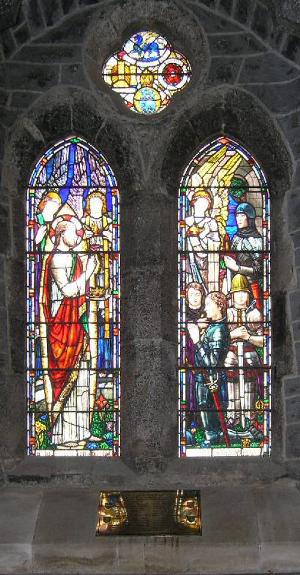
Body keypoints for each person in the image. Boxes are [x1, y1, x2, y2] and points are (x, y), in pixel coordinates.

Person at [42, 216, 97, 448]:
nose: (78, 236)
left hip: (76, 325)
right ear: (62, 234)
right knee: (68, 379)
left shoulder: (75, 258)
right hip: (62, 329)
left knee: (82, 377)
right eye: (74, 232)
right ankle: (63, 436)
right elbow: (67, 291)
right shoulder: (56, 260)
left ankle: (82, 431)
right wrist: (89, 272)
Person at [225, 273, 263, 428]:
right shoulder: (227, 314)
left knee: (249, 387)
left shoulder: (255, 315)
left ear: (248, 295)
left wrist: (248, 337)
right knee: (232, 386)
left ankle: (250, 417)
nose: (240, 297)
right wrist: (233, 334)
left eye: (243, 293)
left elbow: (263, 341)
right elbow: (218, 338)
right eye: (236, 294)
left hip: (249, 355)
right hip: (232, 355)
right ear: (232, 296)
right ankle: (233, 416)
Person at [194, 291, 230, 445]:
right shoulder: (214, 327)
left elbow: (212, 364)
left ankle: (212, 437)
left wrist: (197, 341)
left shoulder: (219, 330)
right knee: (204, 406)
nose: (205, 307)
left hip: (211, 381)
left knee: (209, 408)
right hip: (204, 379)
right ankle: (212, 436)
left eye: (209, 304)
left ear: (219, 306)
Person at [224, 202, 263, 308]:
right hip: (236, 286)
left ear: (249, 218)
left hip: (252, 287)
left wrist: (238, 268)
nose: (238, 219)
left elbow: (259, 269)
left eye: (242, 216)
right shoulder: (236, 238)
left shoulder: (256, 241)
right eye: (237, 216)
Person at [186, 188, 220, 292]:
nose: (203, 205)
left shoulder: (211, 222)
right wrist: (203, 233)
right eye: (200, 202)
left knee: (207, 289)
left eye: (206, 203)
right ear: (194, 202)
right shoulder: (187, 221)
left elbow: (216, 243)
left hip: (207, 263)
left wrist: (203, 235)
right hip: (189, 261)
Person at [185, 282, 205, 410]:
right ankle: (190, 418)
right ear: (186, 296)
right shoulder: (183, 312)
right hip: (188, 353)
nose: (194, 297)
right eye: (191, 294)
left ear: (202, 295)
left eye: (197, 294)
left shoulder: (207, 311)